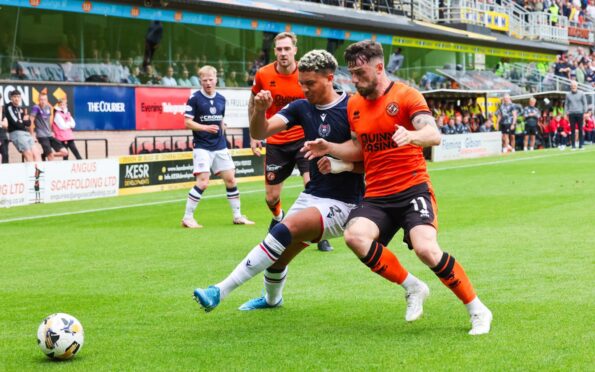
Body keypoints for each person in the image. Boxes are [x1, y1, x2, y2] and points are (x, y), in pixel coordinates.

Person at [301, 40, 492, 335]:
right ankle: (413, 286)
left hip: (412, 189)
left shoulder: (406, 95)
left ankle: (477, 309)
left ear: (379, 67)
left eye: (360, 73)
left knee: (426, 249)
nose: (354, 80)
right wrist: (331, 149)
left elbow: (433, 134)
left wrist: (413, 136)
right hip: (376, 194)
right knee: (355, 236)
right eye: (350, 73)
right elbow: (358, 148)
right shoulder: (353, 104)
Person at [193, 50, 364, 312]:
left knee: (282, 231)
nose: (304, 89)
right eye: (301, 83)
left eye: (310, 83)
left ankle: (219, 290)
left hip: (345, 203)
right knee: (277, 256)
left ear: (330, 78)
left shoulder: (353, 106)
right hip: (313, 196)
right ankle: (272, 300)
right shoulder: (300, 107)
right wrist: (259, 111)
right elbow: (260, 131)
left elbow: (364, 153)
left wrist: (335, 156)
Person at [248, 32, 332, 252]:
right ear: (275, 51)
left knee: (311, 185)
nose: (283, 53)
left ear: (295, 50)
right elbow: (254, 103)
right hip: (276, 141)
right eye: (279, 49)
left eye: (287, 49)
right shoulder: (263, 74)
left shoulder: (305, 74)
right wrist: (254, 134)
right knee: (271, 196)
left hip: (304, 140)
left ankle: (319, 233)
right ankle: (279, 218)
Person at [181, 65, 254, 228]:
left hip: (220, 146)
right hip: (202, 146)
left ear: (216, 79)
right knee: (203, 182)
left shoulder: (221, 98)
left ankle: (237, 216)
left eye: (210, 79)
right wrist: (205, 128)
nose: (208, 83)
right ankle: (187, 217)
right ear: (200, 81)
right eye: (204, 80)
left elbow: (219, 118)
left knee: (231, 179)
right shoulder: (195, 98)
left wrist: (222, 125)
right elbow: (187, 122)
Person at [4, 90, 41, 162]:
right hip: (16, 133)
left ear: (21, 98)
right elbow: (16, 124)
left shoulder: (21, 109)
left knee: (37, 153)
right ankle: (32, 173)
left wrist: (22, 121)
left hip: (26, 133)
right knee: (29, 154)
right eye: (14, 97)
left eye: (18, 97)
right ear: (11, 98)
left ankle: (39, 173)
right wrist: (24, 121)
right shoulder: (9, 107)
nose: (16, 99)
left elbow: (29, 123)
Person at [30, 92, 68, 161]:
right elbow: (31, 121)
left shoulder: (48, 107)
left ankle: (44, 155)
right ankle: (50, 165)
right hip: (41, 136)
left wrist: (52, 131)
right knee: (51, 157)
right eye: (41, 99)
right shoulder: (36, 107)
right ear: (38, 100)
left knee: (65, 152)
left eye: (44, 99)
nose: (43, 101)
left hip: (49, 135)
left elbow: (48, 122)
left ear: (47, 100)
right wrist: (32, 135)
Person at [565, 80, 588, 150]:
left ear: (577, 86)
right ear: (570, 86)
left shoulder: (582, 93)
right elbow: (566, 104)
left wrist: (585, 112)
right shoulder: (568, 94)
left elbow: (585, 103)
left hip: (580, 113)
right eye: (572, 86)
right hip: (571, 114)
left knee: (581, 129)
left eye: (574, 85)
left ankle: (581, 145)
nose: (573, 87)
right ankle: (573, 146)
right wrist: (566, 113)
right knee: (572, 130)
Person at [0, 92, 9, 163]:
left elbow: (5, 125)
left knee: (5, 154)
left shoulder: (2, 113)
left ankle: (6, 172)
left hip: (2, 134)